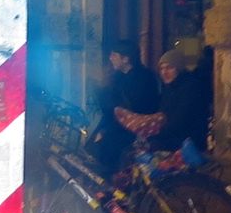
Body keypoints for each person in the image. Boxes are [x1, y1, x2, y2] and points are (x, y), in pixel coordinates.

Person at [117, 48, 212, 156]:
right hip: (171, 136)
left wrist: (155, 134)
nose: (164, 72)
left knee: (145, 149)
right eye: (161, 68)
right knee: (131, 150)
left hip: (188, 141)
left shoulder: (191, 88)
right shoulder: (169, 87)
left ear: (179, 68)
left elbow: (180, 120)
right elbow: (163, 114)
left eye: (169, 68)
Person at [89, 38, 158, 173]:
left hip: (133, 133)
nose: (110, 58)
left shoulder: (144, 79)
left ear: (126, 59)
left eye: (114, 55)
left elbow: (129, 110)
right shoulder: (118, 78)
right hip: (116, 129)